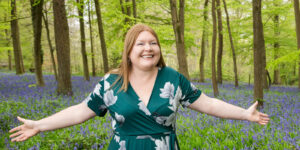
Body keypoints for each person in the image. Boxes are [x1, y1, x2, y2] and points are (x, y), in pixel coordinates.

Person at [9, 24, 270, 150]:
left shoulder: (173, 79)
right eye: (141, 44)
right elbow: (80, 111)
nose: (148, 48)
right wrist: (39, 125)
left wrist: (245, 114)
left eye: (153, 43)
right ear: (129, 50)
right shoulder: (111, 83)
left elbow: (209, 104)